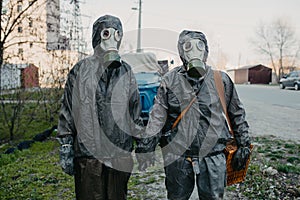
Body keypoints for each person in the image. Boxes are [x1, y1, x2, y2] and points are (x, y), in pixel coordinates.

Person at [143, 30, 252, 199]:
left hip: (213, 155)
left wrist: (244, 144)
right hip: (178, 156)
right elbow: (158, 114)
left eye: (199, 46)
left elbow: (236, 113)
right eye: (188, 47)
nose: (194, 52)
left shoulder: (220, 79)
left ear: (205, 51)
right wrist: (147, 143)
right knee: (176, 196)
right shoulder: (170, 80)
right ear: (181, 52)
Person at [57, 14, 145, 200]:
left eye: (117, 35)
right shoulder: (80, 71)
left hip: (119, 154)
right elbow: (68, 112)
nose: (112, 39)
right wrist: (66, 145)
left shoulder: (126, 72)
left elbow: (134, 112)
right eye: (107, 34)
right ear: (97, 36)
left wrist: (144, 143)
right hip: (89, 156)